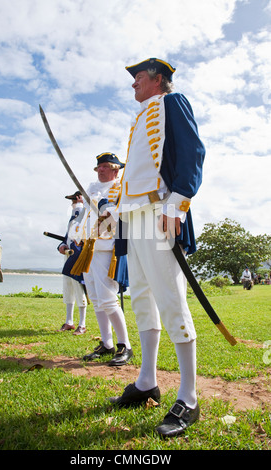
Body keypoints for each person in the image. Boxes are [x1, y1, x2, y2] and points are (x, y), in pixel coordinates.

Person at [108, 58, 205, 438]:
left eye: (139, 77)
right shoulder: (138, 119)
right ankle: (147, 381)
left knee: (170, 299)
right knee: (142, 299)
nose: (133, 83)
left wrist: (177, 205)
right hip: (134, 217)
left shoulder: (172, 102)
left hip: (160, 211)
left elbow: (192, 152)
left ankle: (189, 397)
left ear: (159, 79)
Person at [69, 152, 133, 366]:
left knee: (108, 299)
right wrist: (76, 236)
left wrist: (109, 212)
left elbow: (121, 213)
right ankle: (107, 344)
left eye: (105, 166)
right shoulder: (91, 188)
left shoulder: (121, 187)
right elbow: (84, 215)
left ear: (116, 169)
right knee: (96, 299)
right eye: (99, 167)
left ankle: (125, 345)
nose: (101, 170)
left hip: (106, 247)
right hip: (88, 247)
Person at [57, 191, 88, 335]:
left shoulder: (85, 215)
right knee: (68, 287)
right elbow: (67, 236)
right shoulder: (73, 217)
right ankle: (69, 321)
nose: (73, 203)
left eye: (74, 200)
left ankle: (82, 324)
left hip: (78, 256)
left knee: (78, 288)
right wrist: (61, 246)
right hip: (68, 255)